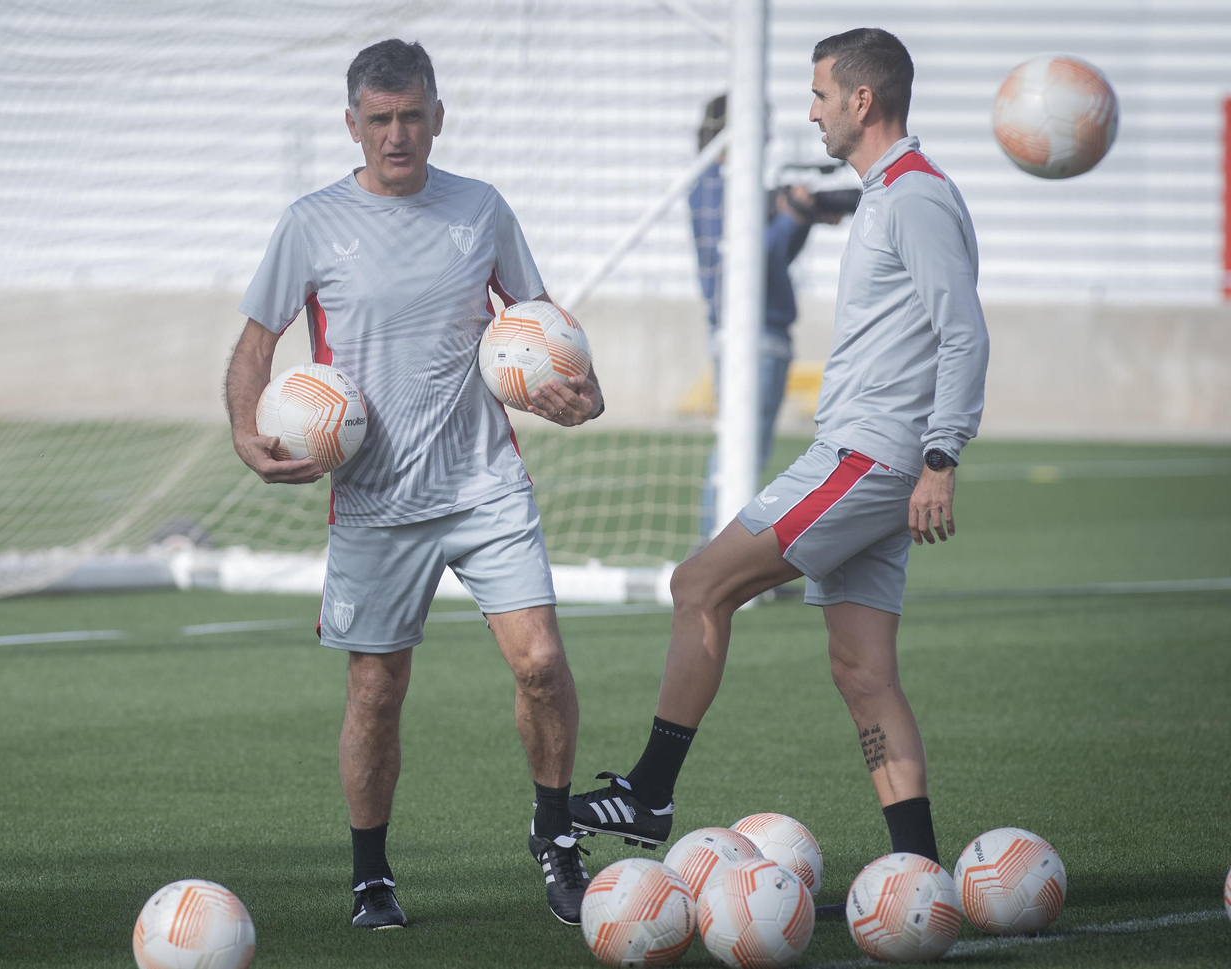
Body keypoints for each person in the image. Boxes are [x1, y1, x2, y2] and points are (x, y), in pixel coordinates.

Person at [569, 27, 989, 911]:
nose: (812, 109)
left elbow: (965, 332)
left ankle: (647, 792)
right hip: (875, 459)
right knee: (863, 671)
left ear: (862, 102)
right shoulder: (886, 192)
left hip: (869, 457)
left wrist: (940, 458)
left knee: (699, 585)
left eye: (822, 95)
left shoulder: (913, 196)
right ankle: (921, 872)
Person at [225, 39, 606, 930]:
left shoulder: (481, 209)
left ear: (439, 116)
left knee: (543, 664)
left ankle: (554, 838)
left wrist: (582, 390)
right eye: (380, 119)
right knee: (376, 690)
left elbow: (546, 323)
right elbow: (254, 348)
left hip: (483, 483)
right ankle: (372, 877)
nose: (398, 135)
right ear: (351, 125)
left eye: (412, 116)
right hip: (373, 500)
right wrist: (248, 435)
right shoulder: (310, 223)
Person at [690, 95, 847, 541]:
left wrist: (799, 219)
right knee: (737, 456)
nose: (770, 137)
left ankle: (721, 560)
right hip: (751, 335)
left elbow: (770, 264)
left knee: (745, 456)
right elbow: (749, 263)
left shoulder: (720, 183)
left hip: (758, 332)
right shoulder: (719, 183)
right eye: (762, 126)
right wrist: (792, 215)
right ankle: (714, 558)